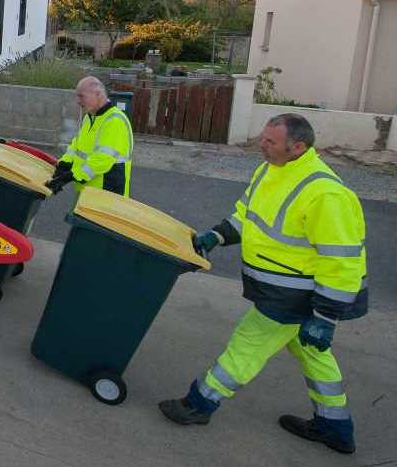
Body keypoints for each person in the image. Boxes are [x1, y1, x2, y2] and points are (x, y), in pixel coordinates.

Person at [158, 113, 367, 455]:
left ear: (297, 147)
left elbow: (342, 261)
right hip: (282, 289)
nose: (261, 144)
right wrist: (218, 235)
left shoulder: (325, 193)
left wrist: (325, 316)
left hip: (296, 297)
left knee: (246, 346)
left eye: (270, 141)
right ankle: (335, 426)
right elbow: (247, 215)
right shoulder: (271, 171)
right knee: (315, 356)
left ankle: (200, 404)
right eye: (263, 137)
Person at [46, 76, 133, 196]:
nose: (78, 101)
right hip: (88, 190)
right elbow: (77, 145)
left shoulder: (114, 121)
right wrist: (64, 164)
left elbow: (102, 160)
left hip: (106, 192)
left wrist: (70, 176)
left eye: (81, 96)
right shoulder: (90, 117)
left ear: (98, 94)